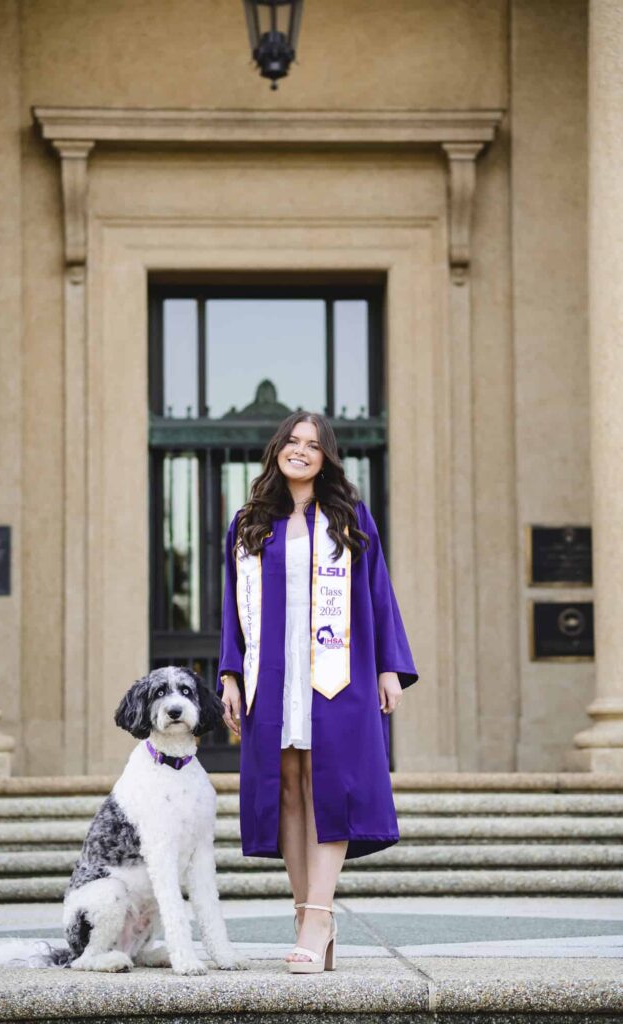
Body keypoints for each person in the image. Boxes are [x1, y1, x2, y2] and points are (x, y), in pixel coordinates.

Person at [217, 411, 419, 974]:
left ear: (327, 457)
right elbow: (232, 607)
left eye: (312, 445)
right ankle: (309, 914)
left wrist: (387, 668)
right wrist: (230, 673)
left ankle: (318, 916)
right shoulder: (250, 522)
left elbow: (378, 592)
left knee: (329, 786)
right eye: (292, 442)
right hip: (271, 672)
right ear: (277, 449)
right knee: (287, 786)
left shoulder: (348, 516)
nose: (300, 451)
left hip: (339, 672)